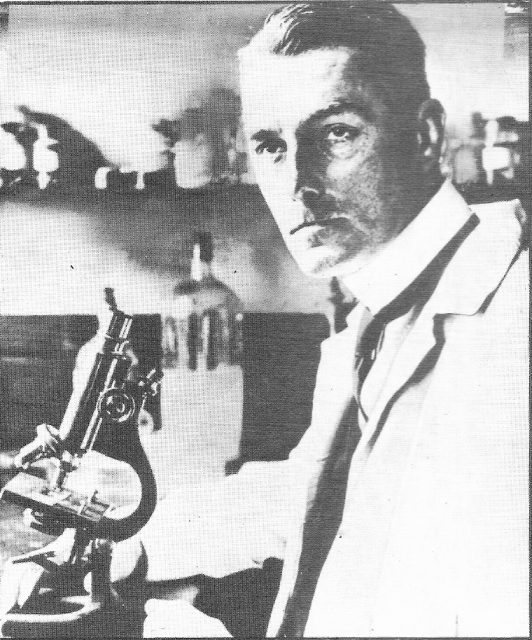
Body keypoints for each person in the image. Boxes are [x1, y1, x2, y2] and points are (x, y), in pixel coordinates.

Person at [1, 3, 528, 637]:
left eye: (336, 133)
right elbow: (304, 495)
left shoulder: (511, 325)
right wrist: (127, 553)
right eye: (271, 145)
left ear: (426, 136)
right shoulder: (376, 317)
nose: (297, 183)